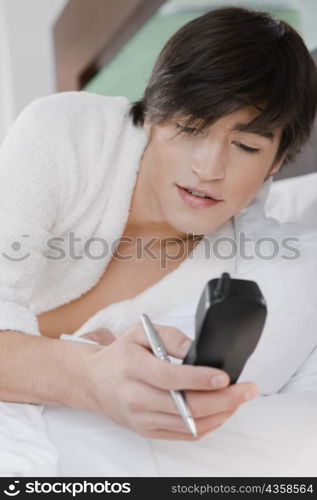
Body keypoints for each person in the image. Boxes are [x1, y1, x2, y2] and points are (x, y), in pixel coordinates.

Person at [0, 6, 317, 474]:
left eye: (247, 146)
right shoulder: (63, 133)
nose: (208, 168)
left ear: (277, 161)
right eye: (189, 128)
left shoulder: (250, 266)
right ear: (151, 113)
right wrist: (87, 374)